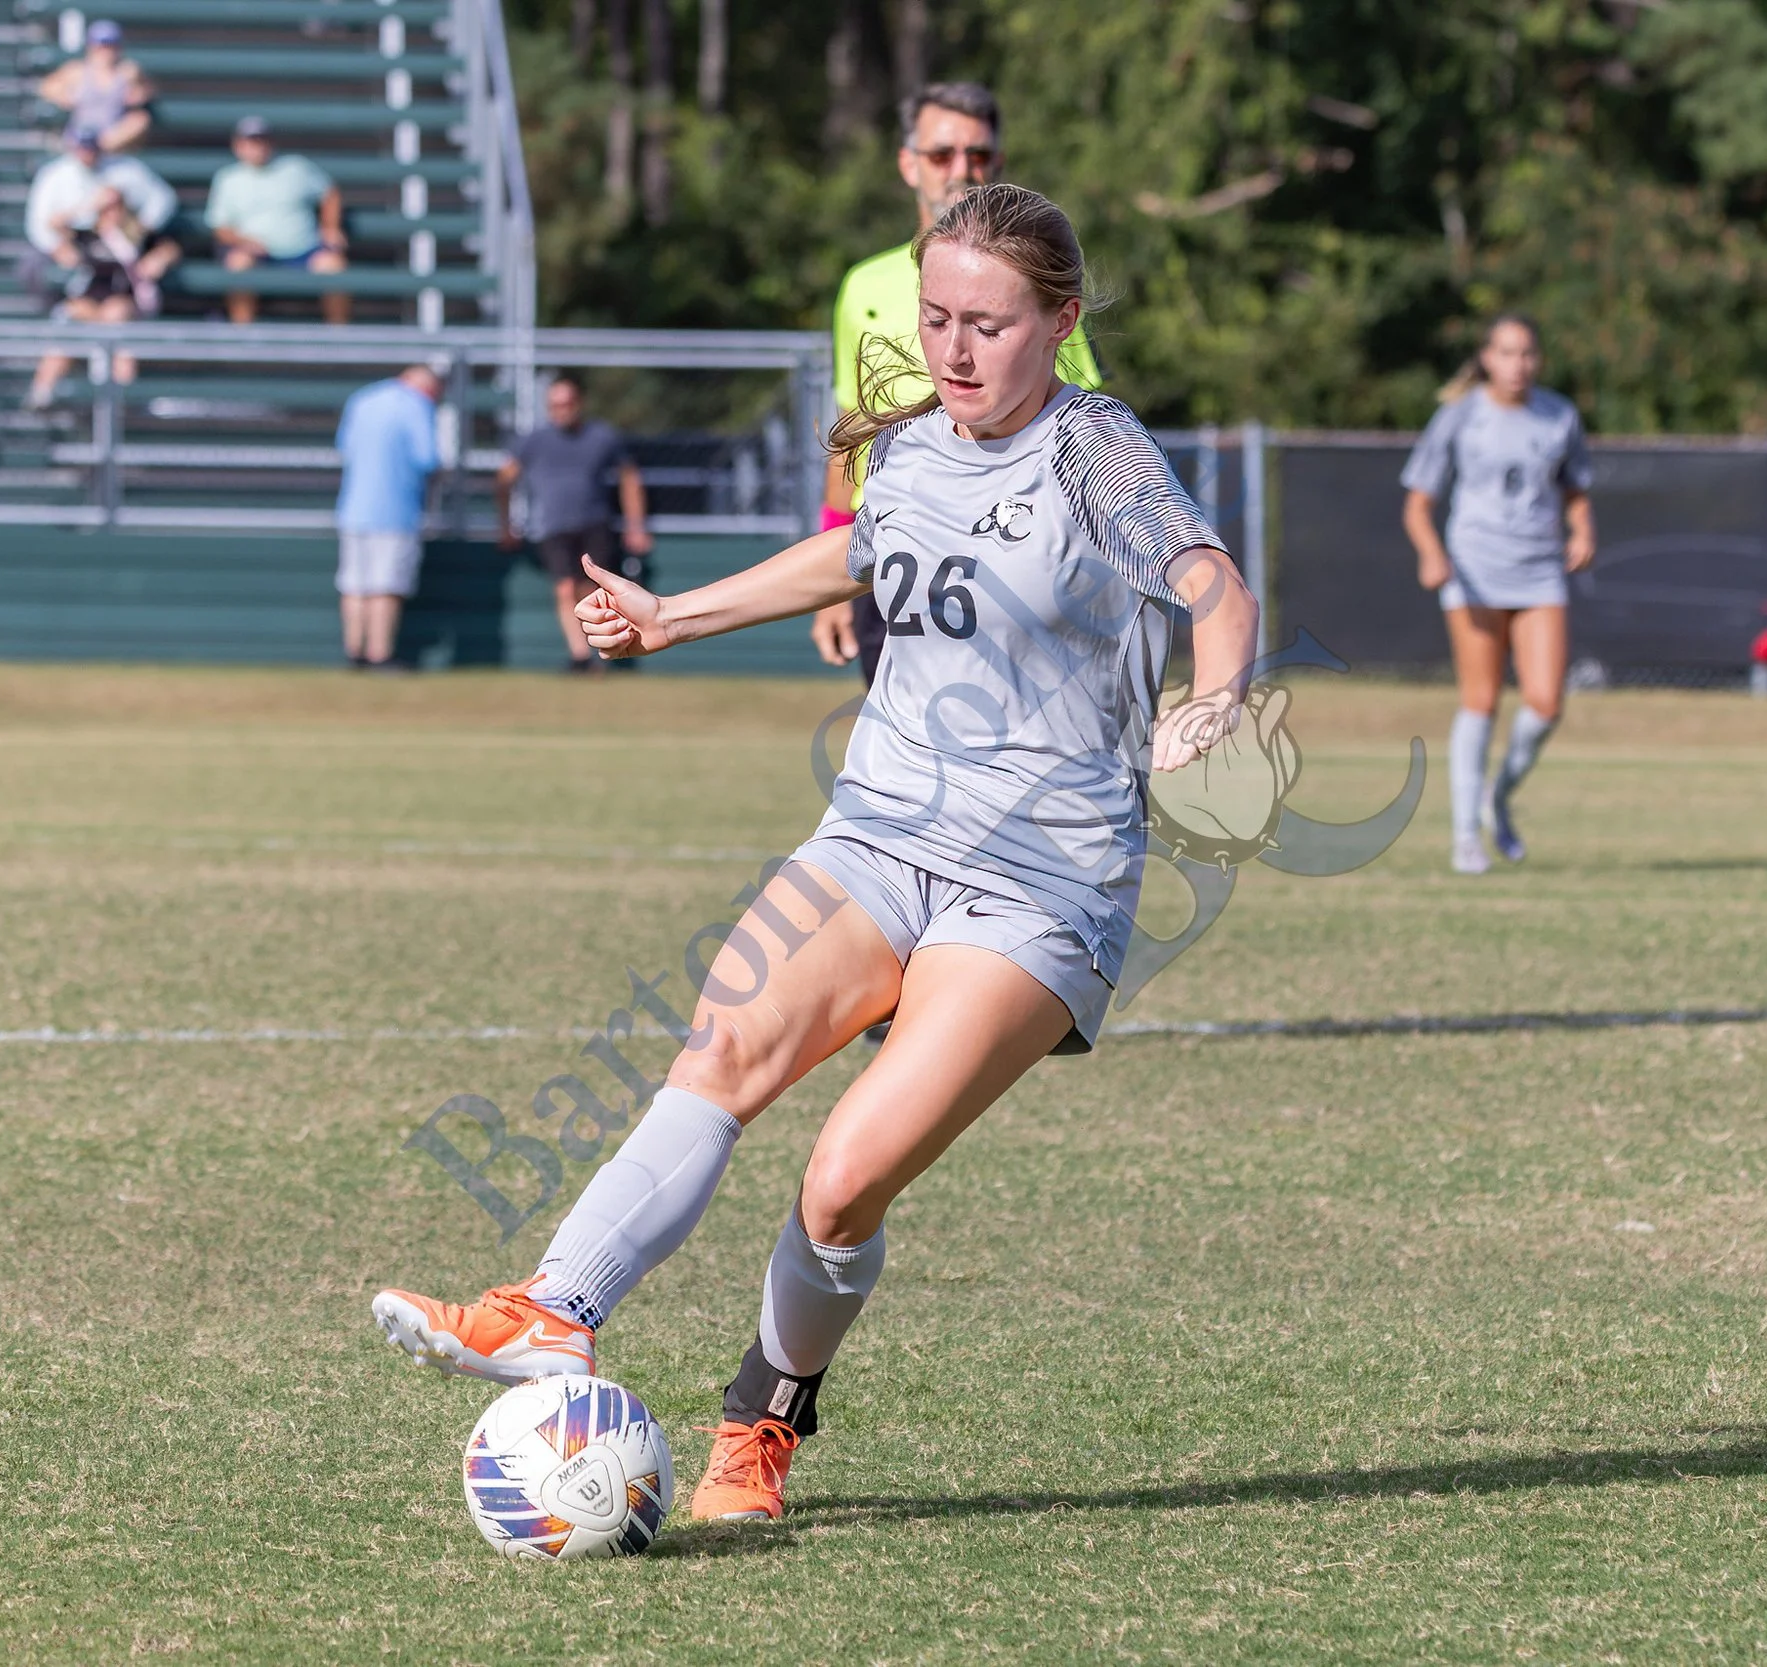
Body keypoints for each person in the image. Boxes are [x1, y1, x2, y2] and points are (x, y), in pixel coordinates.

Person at [370, 184, 1259, 1526]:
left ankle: (761, 1420)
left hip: (1040, 881)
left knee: (842, 1182)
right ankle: (554, 1307)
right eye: (938, 318)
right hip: (880, 829)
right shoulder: (905, 449)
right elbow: (847, 559)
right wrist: (671, 616)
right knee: (722, 1049)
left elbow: (1209, 581)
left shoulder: (1091, 447)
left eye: (990, 325)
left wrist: (1217, 690)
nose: (956, 350)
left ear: (1060, 321)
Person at [809, 81, 1104, 687]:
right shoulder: (864, 286)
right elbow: (852, 429)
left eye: (979, 155)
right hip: (891, 546)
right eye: (942, 154)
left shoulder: (1033, 282)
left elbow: (1083, 422)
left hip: (1009, 546)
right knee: (901, 730)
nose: (962, 170)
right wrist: (833, 577)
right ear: (908, 163)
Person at [1400, 313, 1595, 875]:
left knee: (1546, 703)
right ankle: (1466, 836)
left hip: (1538, 570)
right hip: (1475, 570)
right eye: (1507, 353)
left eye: (1527, 353)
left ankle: (1497, 795)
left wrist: (1583, 530)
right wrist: (1431, 553)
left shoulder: (1559, 414)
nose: (1518, 364)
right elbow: (1417, 503)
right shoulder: (1460, 415)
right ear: (1487, 357)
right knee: (1481, 700)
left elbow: (1576, 489)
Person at [495, 377, 653, 674]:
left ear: (579, 404)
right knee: (565, 588)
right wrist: (505, 525)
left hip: (595, 524)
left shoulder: (602, 437)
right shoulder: (534, 440)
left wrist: (636, 526)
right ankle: (580, 656)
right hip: (553, 527)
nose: (561, 411)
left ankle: (601, 652)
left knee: (591, 589)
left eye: (566, 404)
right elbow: (504, 480)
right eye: (554, 405)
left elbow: (629, 478)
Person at [24, 186, 178, 409]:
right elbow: (53, 224)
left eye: (116, 207)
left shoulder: (137, 237)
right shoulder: (88, 237)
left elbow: (170, 248)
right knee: (70, 320)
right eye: (106, 208)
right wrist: (89, 205)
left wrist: (159, 259)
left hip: (123, 308)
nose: (111, 213)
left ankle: (117, 401)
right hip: (90, 306)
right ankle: (41, 393)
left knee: (116, 314)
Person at [334, 365, 443, 670]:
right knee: (386, 586)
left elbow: (345, 447)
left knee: (354, 585)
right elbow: (427, 459)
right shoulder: (417, 405)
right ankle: (379, 654)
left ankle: (354, 652)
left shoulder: (362, 399)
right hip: (396, 512)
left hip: (353, 511)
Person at [206, 117, 347, 326]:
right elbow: (220, 227)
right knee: (238, 264)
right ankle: (243, 334)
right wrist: (245, 242)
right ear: (238, 145)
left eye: (262, 140)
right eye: (251, 141)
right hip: (257, 255)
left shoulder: (297, 168)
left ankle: (338, 333)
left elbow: (329, 193)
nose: (257, 147)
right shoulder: (228, 179)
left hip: (305, 250)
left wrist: (330, 227)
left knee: (333, 266)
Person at [20, 126, 175, 307]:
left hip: (121, 286)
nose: (87, 154)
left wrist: (141, 229)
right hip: (77, 258)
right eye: (82, 148)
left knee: (117, 309)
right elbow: (44, 222)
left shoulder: (126, 169)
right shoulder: (55, 175)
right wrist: (59, 246)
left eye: (90, 147)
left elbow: (163, 204)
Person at [35, 19, 152, 154]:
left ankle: (97, 149)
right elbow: (46, 86)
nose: (105, 51)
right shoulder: (76, 71)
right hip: (80, 137)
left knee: (139, 119)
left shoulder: (128, 71)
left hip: (111, 140)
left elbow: (146, 91)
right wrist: (63, 96)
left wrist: (139, 93)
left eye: (110, 45)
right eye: (100, 45)